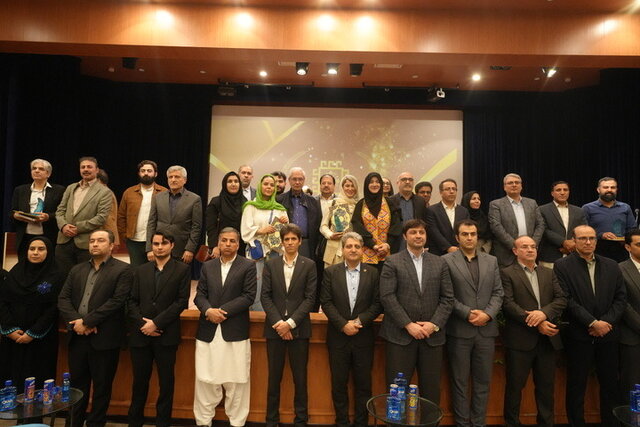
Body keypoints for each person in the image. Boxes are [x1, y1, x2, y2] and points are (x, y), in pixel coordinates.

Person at [57, 229, 132, 427]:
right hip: (78, 337)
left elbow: (117, 301)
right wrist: (77, 322)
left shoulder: (123, 270)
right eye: (92, 241)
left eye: (100, 240)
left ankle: (96, 423)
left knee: (102, 387)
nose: (95, 244)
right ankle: (73, 423)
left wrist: (88, 322)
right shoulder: (77, 270)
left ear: (111, 245)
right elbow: (63, 299)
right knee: (76, 387)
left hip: (105, 338)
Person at [554, 225, 626, 427]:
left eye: (592, 238)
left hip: (608, 334)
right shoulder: (562, 265)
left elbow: (621, 298)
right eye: (583, 238)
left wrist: (606, 322)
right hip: (579, 334)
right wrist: (592, 322)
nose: (588, 242)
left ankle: (611, 423)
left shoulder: (612, 265)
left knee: (610, 385)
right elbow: (566, 299)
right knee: (577, 385)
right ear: (574, 241)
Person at [379, 219, 454, 403]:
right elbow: (387, 297)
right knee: (397, 393)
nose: (418, 236)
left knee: (431, 392)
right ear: (405, 237)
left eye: (422, 232)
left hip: (431, 338)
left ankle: (429, 420)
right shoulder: (392, 261)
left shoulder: (440, 263)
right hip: (400, 337)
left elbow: (448, 298)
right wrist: (408, 325)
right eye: (413, 232)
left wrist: (433, 325)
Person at [193, 227, 257, 427]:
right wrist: (208, 311)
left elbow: (248, 296)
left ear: (238, 244)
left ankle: (237, 423)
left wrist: (221, 311)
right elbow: (199, 295)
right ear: (218, 243)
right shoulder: (207, 266)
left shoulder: (248, 266)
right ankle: (203, 422)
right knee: (205, 380)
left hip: (234, 331)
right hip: (209, 330)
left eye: (232, 241)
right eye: (224, 240)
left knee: (237, 382)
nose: (228, 244)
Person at [501, 236, 567, 427]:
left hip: (547, 341)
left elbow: (561, 299)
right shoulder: (506, 273)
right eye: (524, 247)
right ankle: (512, 423)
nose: (530, 250)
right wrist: (536, 322)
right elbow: (508, 304)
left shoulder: (549, 273)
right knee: (515, 388)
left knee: (546, 388)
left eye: (533, 247)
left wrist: (543, 314)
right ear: (515, 251)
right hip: (520, 340)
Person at [442, 220, 503, 427]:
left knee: (483, 382)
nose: (469, 238)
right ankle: (462, 423)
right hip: (460, 330)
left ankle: (478, 423)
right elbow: (446, 295)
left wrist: (488, 314)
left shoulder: (491, 261)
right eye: (465, 234)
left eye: (473, 234)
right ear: (457, 238)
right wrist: (467, 313)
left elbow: (498, 293)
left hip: (486, 330)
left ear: (478, 236)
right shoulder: (446, 261)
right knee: (459, 382)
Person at [127, 231, 190, 427]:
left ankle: (163, 423)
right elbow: (131, 301)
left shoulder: (182, 270)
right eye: (155, 244)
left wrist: (156, 323)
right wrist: (143, 325)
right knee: (139, 382)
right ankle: (134, 422)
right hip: (141, 335)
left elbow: (181, 302)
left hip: (166, 334)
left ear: (172, 245)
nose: (159, 247)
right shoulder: (140, 270)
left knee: (166, 383)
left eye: (164, 243)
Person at [320, 232, 381, 427]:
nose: (353, 250)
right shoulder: (331, 272)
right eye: (349, 246)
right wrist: (343, 324)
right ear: (343, 249)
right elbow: (326, 302)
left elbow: (378, 303)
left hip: (363, 337)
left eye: (357, 246)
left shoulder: (373, 273)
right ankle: (342, 422)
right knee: (339, 385)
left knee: (363, 385)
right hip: (338, 337)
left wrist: (359, 321)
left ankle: (361, 423)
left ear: (362, 249)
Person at [261, 224, 317, 427]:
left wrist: (290, 324)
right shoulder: (271, 264)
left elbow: (310, 298)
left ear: (300, 241)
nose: (290, 242)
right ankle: (271, 420)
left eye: (294, 239)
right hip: (274, 329)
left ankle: (300, 420)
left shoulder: (309, 265)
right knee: (273, 378)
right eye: (287, 239)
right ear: (282, 242)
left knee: (300, 378)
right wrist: (279, 323)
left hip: (299, 329)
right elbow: (265, 296)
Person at [0, 236, 64, 389]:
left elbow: (54, 308)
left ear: (49, 252)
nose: (35, 252)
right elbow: (3, 301)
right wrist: (10, 329)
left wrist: (33, 333)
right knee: (9, 378)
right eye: (32, 249)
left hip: (41, 339)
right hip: (13, 337)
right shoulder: (15, 272)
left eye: (41, 249)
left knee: (37, 380)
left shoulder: (57, 276)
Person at [55, 156, 113, 276]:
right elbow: (60, 210)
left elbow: (101, 217)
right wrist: (63, 226)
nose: (86, 169)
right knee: (62, 277)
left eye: (89, 167)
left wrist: (78, 228)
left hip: (86, 243)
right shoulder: (71, 188)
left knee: (84, 278)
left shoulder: (105, 192)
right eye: (83, 167)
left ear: (97, 170)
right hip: (64, 241)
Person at [241, 174, 289, 310]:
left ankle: (273, 314)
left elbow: (285, 233)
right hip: (257, 251)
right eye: (266, 184)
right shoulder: (250, 206)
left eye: (272, 185)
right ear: (260, 186)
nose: (269, 187)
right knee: (256, 284)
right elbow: (245, 229)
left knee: (273, 284)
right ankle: (256, 314)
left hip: (274, 252)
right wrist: (260, 230)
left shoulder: (280, 208)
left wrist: (285, 223)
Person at [146, 165, 202, 264]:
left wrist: (190, 249)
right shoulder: (157, 197)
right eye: (170, 177)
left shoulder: (194, 199)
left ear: (185, 180)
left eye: (177, 177)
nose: (173, 180)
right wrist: (150, 248)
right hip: (160, 247)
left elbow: (196, 227)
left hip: (182, 250)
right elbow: (151, 223)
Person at [10, 158, 65, 259]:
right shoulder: (20, 190)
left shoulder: (59, 190)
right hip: (25, 236)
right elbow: (12, 211)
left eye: (41, 169)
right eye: (34, 168)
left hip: (48, 236)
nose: (36, 171)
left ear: (48, 174)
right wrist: (16, 215)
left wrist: (48, 217)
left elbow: (62, 213)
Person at [117, 160, 167, 266]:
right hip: (134, 241)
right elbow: (121, 216)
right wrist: (125, 235)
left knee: (157, 270)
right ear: (139, 173)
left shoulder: (164, 192)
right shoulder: (129, 192)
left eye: (149, 171)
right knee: (137, 271)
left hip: (157, 241)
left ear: (155, 174)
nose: (146, 173)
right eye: (143, 171)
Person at [488, 173, 545, 267]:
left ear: (521, 186)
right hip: (506, 254)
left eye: (517, 182)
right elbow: (496, 227)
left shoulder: (532, 203)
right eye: (510, 183)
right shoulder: (496, 204)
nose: (514, 185)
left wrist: (531, 245)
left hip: (530, 253)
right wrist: (516, 246)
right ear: (504, 187)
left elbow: (540, 224)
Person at [351, 172, 402, 270]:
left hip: (387, 253)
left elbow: (396, 225)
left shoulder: (390, 203)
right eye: (371, 182)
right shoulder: (360, 204)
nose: (374, 184)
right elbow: (357, 227)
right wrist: (372, 245)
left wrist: (387, 244)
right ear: (366, 185)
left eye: (377, 182)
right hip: (365, 254)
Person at [582, 177, 636, 262]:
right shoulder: (588, 208)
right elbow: (583, 230)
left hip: (621, 252)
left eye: (612, 187)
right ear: (598, 190)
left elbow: (632, 229)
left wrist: (625, 238)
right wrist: (601, 235)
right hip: (597, 250)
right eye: (605, 187)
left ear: (616, 190)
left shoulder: (625, 207)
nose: (609, 190)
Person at [537, 181, 587, 268]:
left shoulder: (578, 211)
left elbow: (584, 229)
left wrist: (573, 245)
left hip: (574, 255)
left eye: (565, 190)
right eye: (558, 190)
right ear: (552, 193)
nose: (562, 192)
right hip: (550, 256)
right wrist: (563, 243)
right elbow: (544, 230)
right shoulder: (542, 210)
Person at [277, 167, 322, 260]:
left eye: (300, 179)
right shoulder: (279, 200)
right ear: (289, 180)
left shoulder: (313, 201)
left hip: (306, 244)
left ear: (304, 180)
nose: (297, 182)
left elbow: (318, 224)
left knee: (305, 268)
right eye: (294, 179)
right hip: (285, 243)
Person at [619, 229, 640, 404]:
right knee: (632, 386)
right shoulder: (619, 269)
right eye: (639, 244)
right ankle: (634, 418)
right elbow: (623, 303)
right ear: (627, 247)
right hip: (632, 337)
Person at [320, 175, 359, 267]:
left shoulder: (358, 205)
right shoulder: (333, 203)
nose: (350, 189)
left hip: (353, 249)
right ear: (342, 187)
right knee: (332, 274)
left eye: (352, 186)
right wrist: (330, 235)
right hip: (334, 249)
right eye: (347, 186)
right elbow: (323, 226)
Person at [206, 171, 246, 258]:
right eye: (230, 181)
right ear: (224, 184)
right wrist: (214, 246)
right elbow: (211, 227)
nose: (233, 184)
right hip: (220, 247)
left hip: (241, 248)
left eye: (236, 181)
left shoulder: (245, 202)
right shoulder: (216, 202)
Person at [425, 179, 470, 255]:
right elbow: (433, 231)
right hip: (438, 252)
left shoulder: (463, 211)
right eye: (448, 189)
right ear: (441, 192)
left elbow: (466, 230)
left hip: (459, 251)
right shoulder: (431, 210)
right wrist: (448, 247)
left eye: (454, 189)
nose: (451, 191)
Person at [96, 169, 120, 247]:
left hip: (104, 237)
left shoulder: (105, 193)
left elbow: (108, 219)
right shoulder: (105, 192)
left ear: (98, 180)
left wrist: (110, 239)